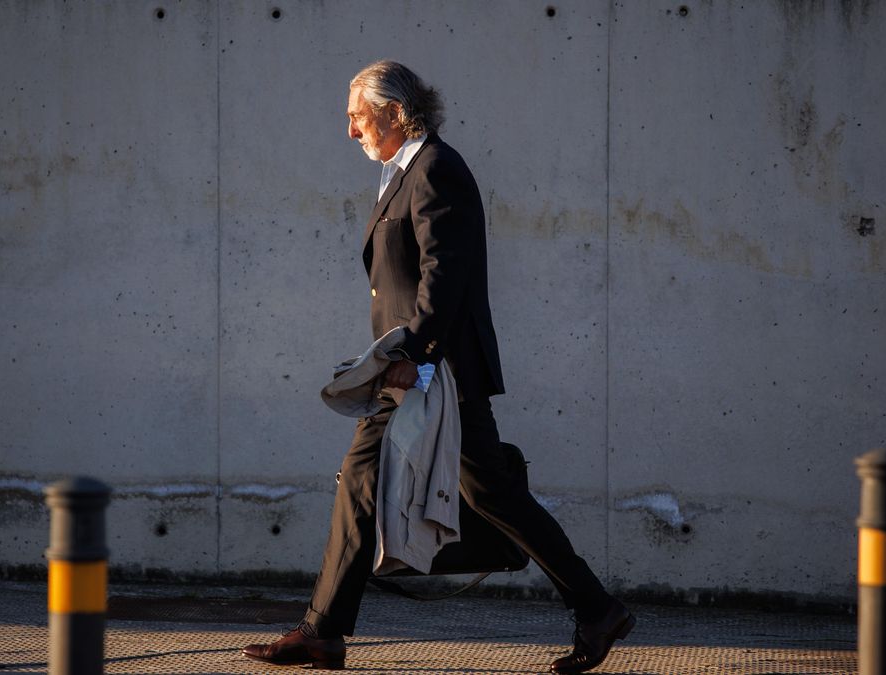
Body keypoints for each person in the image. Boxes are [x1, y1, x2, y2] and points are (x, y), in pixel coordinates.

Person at [242, 60, 634, 674]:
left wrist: (412, 354)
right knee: (432, 487)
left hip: (434, 370)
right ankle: (595, 608)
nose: (351, 131)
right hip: (416, 368)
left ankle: (324, 631)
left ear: (396, 113)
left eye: (358, 117)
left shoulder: (434, 169)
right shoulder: (405, 172)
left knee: (459, 490)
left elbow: (443, 275)